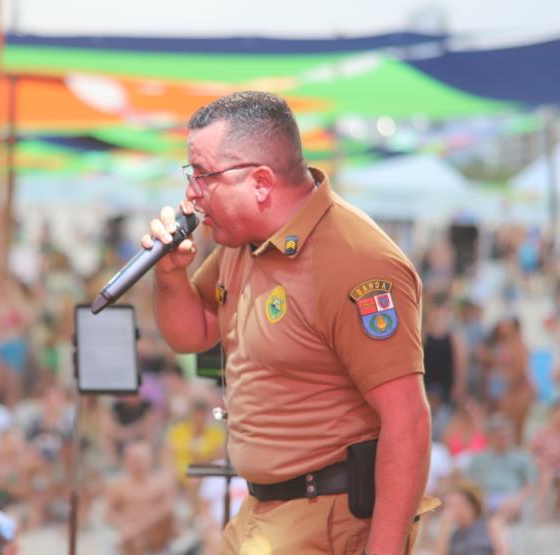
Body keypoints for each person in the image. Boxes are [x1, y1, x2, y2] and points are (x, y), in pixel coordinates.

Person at [144, 91, 433, 554]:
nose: (191, 194)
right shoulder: (244, 242)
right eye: (190, 175)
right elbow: (191, 333)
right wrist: (169, 274)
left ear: (260, 182)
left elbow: (408, 420)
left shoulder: (354, 260)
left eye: (203, 175)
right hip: (261, 512)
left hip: (328, 517)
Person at [105, 441, 177, 555]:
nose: (138, 464)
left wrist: (139, 527)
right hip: (131, 536)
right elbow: (109, 513)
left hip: (156, 535)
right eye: (134, 460)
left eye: (141, 460)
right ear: (126, 462)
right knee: (129, 538)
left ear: (150, 460)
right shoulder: (118, 486)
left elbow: (168, 510)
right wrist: (125, 525)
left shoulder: (161, 483)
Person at [466, 415, 536, 521]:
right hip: (486, 497)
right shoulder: (478, 458)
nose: (504, 437)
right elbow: (469, 482)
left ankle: (495, 523)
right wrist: (478, 498)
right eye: (499, 434)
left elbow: (529, 486)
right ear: (490, 436)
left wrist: (518, 499)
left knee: (510, 509)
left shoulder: (521, 458)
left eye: (507, 434)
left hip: (511, 497)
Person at [433, 480, 510, 555]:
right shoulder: (455, 535)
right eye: (448, 505)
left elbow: (503, 552)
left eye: (456, 504)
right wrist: (444, 528)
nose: (451, 510)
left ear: (472, 504)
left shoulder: (491, 524)